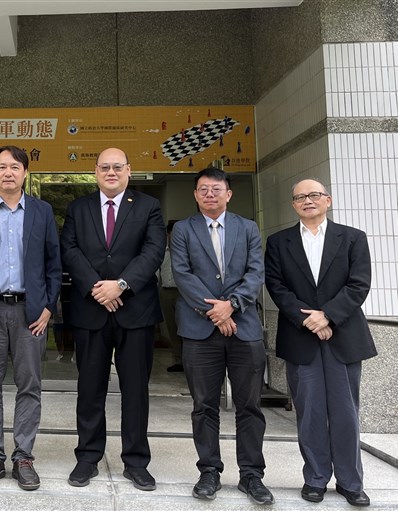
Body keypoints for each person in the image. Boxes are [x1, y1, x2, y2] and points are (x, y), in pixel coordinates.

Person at [265, 179, 375, 507]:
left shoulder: (353, 238)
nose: (307, 201)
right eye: (300, 197)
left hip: (343, 336)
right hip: (301, 337)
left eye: (314, 195)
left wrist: (327, 316)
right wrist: (308, 319)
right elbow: (276, 285)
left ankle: (350, 482)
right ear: (294, 204)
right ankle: (315, 478)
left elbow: (359, 283)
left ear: (327, 199)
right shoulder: (279, 241)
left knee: (345, 412)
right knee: (310, 411)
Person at [60, 147, 165, 490]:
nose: (111, 172)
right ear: (94, 172)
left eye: (117, 167)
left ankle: (136, 461)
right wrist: (96, 287)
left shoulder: (147, 206)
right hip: (91, 311)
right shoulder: (79, 208)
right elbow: (69, 250)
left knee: (135, 390)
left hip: (135, 311)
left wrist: (120, 286)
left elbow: (153, 251)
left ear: (129, 171)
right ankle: (87, 457)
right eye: (104, 167)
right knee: (90, 389)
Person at [171, 167, 273, 505]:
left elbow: (255, 272)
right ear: (196, 195)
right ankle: (209, 472)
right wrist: (214, 312)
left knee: (250, 406)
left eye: (216, 189)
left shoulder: (247, 228)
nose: (210, 194)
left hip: (244, 329)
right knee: (204, 405)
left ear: (228, 193)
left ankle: (251, 474)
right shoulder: (184, 230)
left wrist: (232, 306)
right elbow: (182, 275)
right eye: (203, 189)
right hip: (200, 332)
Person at [0, 145, 61, 491]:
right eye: (1, 167)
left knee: (29, 385)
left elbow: (53, 263)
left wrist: (49, 307)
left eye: (14, 167)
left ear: (24, 173)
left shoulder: (42, 211)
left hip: (30, 312)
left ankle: (23, 457)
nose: (8, 173)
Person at [160, 220, 182, 372]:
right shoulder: (162, 251)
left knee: (185, 327)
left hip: (184, 293)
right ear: (168, 234)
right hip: (166, 292)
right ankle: (178, 360)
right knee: (171, 328)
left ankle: (190, 360)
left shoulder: (186, 249)